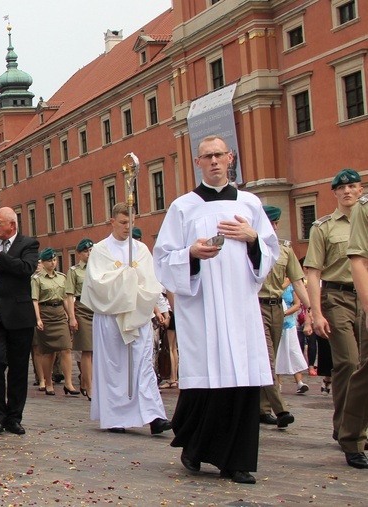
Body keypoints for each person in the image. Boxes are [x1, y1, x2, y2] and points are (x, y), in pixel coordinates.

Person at [153, 135, 279, 485]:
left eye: (219, 155)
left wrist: (253, 239)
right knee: (208, 382)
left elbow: (270, 252)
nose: (213, 161)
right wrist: (190, 254)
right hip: (203, 309)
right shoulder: (183, 207)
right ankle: (195, 446)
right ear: (197, 162)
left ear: (230, 158)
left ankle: (236, 462)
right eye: (206, 156)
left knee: (242, 380)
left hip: (240, 308)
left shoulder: (250, 203)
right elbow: (162, 259)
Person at [81, 203, 171, 435]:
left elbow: (152, 280)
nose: (127, 227)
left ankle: (154, 416)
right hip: (111, 316)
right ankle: (115, 418)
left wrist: (157, 307)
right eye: (123, 222)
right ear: (112, 222)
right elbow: (97, 284)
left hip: (137, 314)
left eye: (131, 222)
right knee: (115, 367)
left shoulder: (140, 249)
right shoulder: (100, 250)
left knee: (143, 366)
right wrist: (125, 276)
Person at [304, 169, 364, 443]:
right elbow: (313, 273)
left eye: (353, 186)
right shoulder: (323, 227)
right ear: (335, 193)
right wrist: (315, 313)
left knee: (363, 364)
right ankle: (346, 429)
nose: (348, 191)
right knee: (348, 362)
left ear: (360, 190)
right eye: (342, 188)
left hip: (364, 297)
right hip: (337, 297)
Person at [0, 207, 39, 435]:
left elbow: (25, 269)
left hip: (20, 317)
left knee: (19, 369)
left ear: (12, 224)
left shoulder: (28, 244)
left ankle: (14, 417)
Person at [257, 205, 312, 427]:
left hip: (277, 308)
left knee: (270, 359)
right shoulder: (250, 248)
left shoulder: (285, 251)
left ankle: (262, 409)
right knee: (267, 359)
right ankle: (281, 410)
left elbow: (298, 281)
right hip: (256, 307)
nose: (271, 227)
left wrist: (311, 310)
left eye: (273, 224)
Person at [340, 192, 368, 468]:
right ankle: (352, 437)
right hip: (349, 298)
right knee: (364, 369)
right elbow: (358, 259)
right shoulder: (365, 208)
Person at [32, 247, 79, 397]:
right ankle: (48, 382)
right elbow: (35, 300)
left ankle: (68, 383)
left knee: (66, 349)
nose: (52, 263)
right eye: (49, 261)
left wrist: (70, 315)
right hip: (45, 313)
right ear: (43, 262)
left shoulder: (62, 277)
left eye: (54, 260)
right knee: (48, 352)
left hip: (59, 314)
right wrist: (38, 318)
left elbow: (66, 298)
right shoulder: (37, 279)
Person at [66, 238, 94, 399]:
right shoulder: (75, 271)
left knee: (98, 350)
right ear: (79, 253)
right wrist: (72, 317)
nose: (89, 254)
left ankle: (91, 382)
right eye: (85, 251)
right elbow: (69, 295)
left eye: (91, 251)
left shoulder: (98, 268)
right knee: (87, 349)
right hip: (82, 309)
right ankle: (89, 386)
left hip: (98, 309)